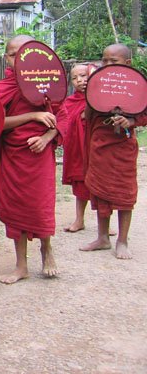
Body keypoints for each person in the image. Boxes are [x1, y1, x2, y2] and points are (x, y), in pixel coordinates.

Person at [0, 35, 61, 284]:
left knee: (39, 205)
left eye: (23, 54)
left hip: (39, 155)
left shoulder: (47, 84)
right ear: (6, 58)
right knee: (16, 207)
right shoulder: (4, 87)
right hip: (13, 155)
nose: (18, 59)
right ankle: (21, 266)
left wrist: (47, 138)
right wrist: (33, 115)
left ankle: (46, 249)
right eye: (12, 54)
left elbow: (61, 120)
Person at [80, 43, 147, 259]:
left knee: (124, 193)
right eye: (105, 60)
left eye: (113, 61)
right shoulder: (98, 82)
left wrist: (130, 120)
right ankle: (102, 237)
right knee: (99, 191)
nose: (107, 65)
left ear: (127, 63)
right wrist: (93, 93)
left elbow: (144, 114)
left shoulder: (136, 85)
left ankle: (122, 240)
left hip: (123, 147)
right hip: (100, 144)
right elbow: (87, 115)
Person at [56, 63, 91, 233]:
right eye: (75, 78)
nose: (80, 80)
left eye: (83, 75)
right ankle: (79, 219)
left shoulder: (103, 99)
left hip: (97, 148)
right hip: (78, 148)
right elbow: (66, 122)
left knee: (102, 184)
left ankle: (104, 223)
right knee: (80, 182)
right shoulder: (70, 102)